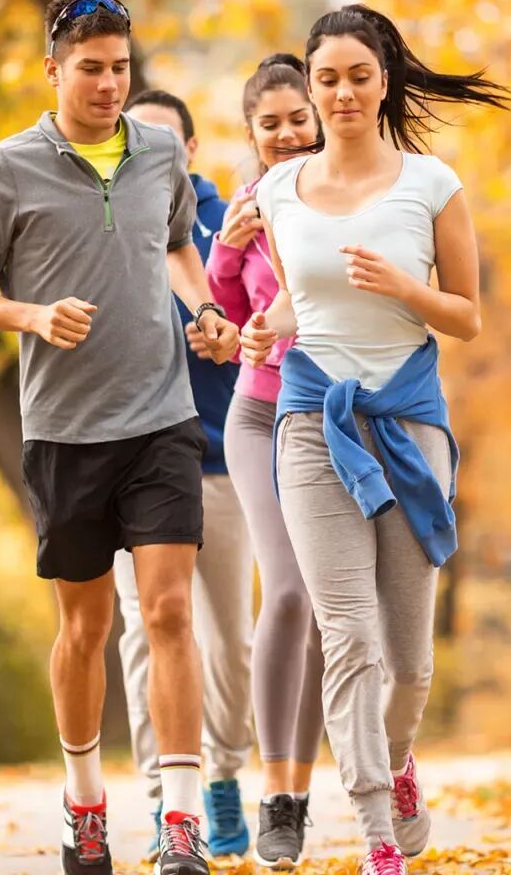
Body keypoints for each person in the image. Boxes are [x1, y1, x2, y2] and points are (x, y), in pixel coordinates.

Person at [0, 0, 239, 875]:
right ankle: (84, 802)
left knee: (172, 610)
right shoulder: (7, 167)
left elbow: (180, 246)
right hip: (66, 432)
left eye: (121, 68)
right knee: (86, 627)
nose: (110, 85)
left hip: (162, 419)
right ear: (54, 71)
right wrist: (30, 314)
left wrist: (209, 310)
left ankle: (179, 823)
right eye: (92, 69)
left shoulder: (158, 155)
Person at [238, 4, 511, 875]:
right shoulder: (279, 191)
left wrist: (406, 286)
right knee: (347, 636)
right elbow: (300, 299)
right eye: (327, 79)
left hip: (406, 421)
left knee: (410, 660)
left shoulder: (432, 185)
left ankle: (395, 763)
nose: (343, 92)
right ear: (310, 89)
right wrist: (261, 328)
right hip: (313, 420)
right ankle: (376, 839)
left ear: (383, 80)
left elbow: (467, 316)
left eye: (359, 75)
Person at [111, 88, 254, 861]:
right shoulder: (108, 218)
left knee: (231, 640)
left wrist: (228, 333)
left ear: (191, 152)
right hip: (130, 457)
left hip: (222, 458)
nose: (154, 153)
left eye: (167, 141)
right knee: (148, 630)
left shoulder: (232, 222)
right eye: (140, 140)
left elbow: (267, 317)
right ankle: (171, 794)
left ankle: (226, 772)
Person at [205, 54, 327, 870]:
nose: (286, 133)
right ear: (252, 133)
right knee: (284, 588)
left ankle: (314, 783)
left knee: (328, 604)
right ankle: (275, 799)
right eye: (270, 123)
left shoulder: (351, 192)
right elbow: (231, 308)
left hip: (335, 415)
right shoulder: (245, 203)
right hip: (257, 411)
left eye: (297, 118)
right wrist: (226, 244)